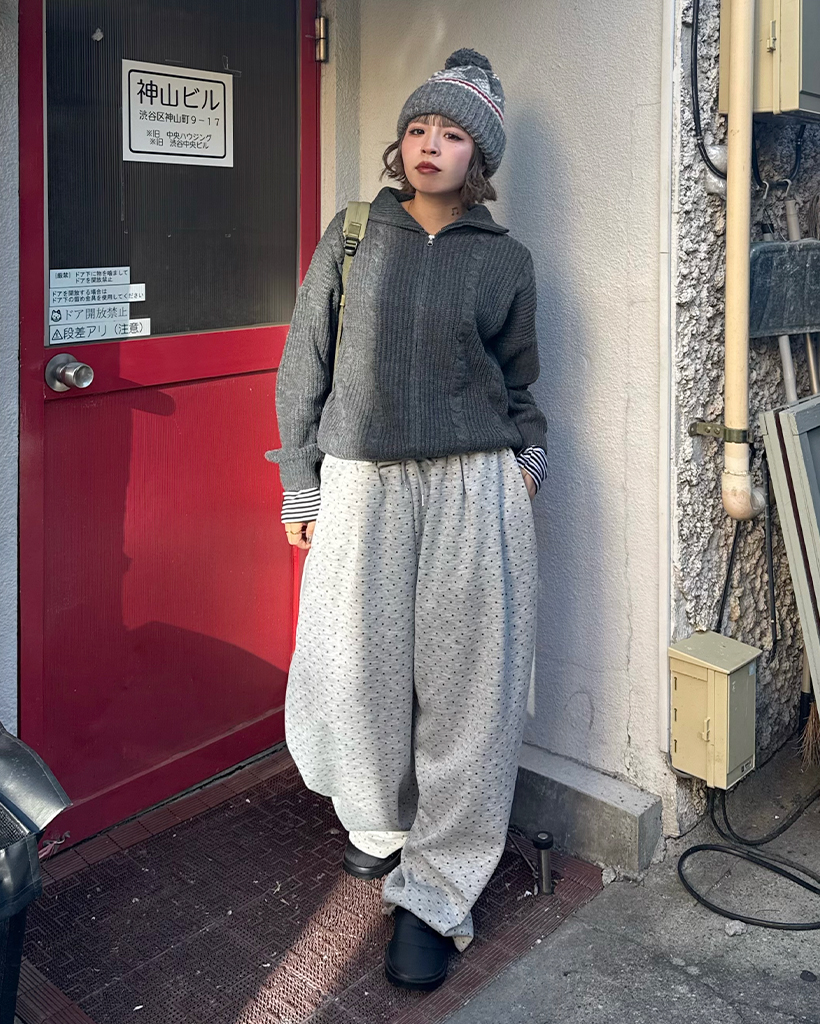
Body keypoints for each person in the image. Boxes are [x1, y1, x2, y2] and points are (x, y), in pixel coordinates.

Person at [266, 48, 548, 992]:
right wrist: (300, 479)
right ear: (401, 142)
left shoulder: (506, 261)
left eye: (453, 133)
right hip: (363, 483)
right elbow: (304, 364)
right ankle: (380, 826)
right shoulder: (354, 235)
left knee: (472, 690)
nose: (431, 144)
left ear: (480, 157)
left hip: (476, 486)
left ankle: (436, 892)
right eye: (419, 127)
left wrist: (527, 462)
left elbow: (521, 383)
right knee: (355, 670)